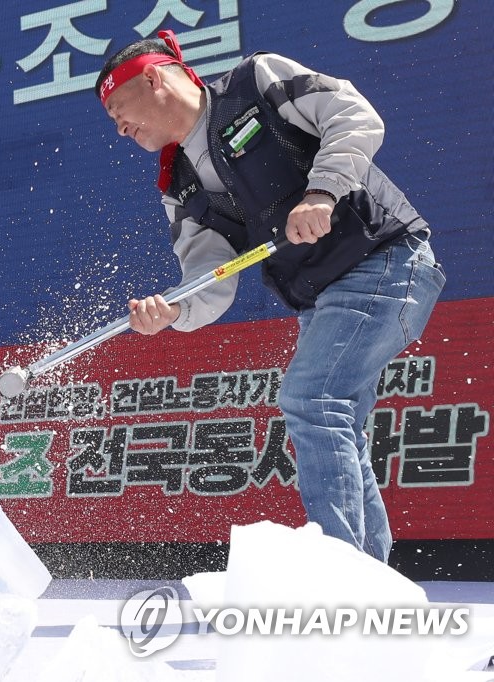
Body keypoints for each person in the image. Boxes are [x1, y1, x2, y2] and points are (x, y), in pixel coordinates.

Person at [95, 32, 445, 562]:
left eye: (119, 109)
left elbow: (353, 115)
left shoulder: (255, 83)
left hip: (386, 262)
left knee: (311, 400)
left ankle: (340, 577)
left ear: (153, 78)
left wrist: (322, 191)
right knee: (337, 424)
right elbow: (209, 276)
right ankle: (374, 585)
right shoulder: (179, 184)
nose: (120, 128)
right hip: (323, 301)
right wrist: (175, 309)